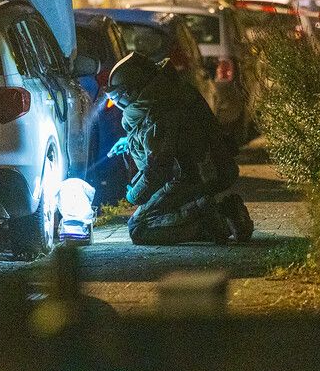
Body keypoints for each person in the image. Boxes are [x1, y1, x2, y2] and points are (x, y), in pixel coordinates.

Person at [105, 52, 253, 245]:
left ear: (132, 92)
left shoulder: (159, 112)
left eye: (118, 98)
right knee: (159, 209)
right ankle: (226, 211)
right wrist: (129, 142)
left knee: (139, 227)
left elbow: (158, 168)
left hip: (191, 177)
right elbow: (173, 139)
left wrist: (133, 195)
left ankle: (212, 220)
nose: (117, 105)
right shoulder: (168, 94)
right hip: (210, 170)